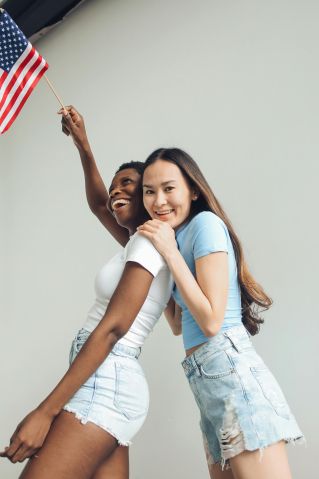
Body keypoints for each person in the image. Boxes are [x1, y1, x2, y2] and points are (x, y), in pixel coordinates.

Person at [0, 109, 178, 479]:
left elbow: (113, 329)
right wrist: (83, 145)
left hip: (106, 378)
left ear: (149, 193)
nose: (116, 191)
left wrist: (45, 412)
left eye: (129, 183)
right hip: (110, 381)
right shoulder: (136, 243)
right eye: (115, 186)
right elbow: (100, 204)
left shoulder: (148, 240)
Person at [137, 148, 304, 479]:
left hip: (233, 376)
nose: (158, 201)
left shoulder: (205, 224)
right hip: (207, 385)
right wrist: (164, 256)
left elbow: (211, 322)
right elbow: (176, 323)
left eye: (169, 188)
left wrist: (170, 252)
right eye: (149, 191)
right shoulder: (174, 236)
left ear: (194, 190)